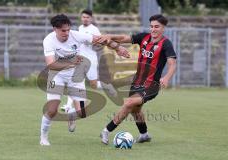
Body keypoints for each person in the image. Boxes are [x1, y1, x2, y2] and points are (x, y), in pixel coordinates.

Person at [40, 14, 129, 146]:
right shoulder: (48, 40)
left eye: (68, 29)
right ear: (55, 29)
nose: (66, 33)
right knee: (52, 110)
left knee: (82, 113)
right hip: (56, 76)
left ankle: (71, 114)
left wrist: (117, 47)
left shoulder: (76, 35)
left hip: (75, 77)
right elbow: (51, 65)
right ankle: (43, 137)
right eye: (63, 30)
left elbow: (101, 40)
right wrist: (70, 62)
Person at [98, 14, 177, 144]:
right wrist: (109, 36)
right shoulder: (143, 37)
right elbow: (123, 38)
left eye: (157, 27)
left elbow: (172, 63)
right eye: (151, 26)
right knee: (136, 110)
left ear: (163, 28)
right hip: (137, 82)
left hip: (152, 84)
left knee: (129, 103)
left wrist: (167, 77)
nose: (153, 29)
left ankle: (106, 131)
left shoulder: (166, 44)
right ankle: (144, 134)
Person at [61, 9, 117, 117]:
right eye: (83, 17)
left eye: (87, 17)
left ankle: (108, 86)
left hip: (91, 60)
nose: (85, 19)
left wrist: (92, 42)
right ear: (81, 18)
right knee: (75, 81)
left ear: (91, 18)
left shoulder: (94, 30)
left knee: (94, 85)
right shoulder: (80, 28)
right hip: (80, 59)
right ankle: (68, 106)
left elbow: (101, 44)